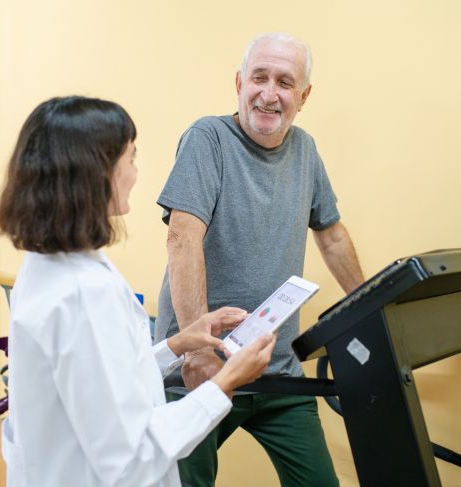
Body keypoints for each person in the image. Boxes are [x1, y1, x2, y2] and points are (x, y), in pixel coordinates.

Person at [0, 96, 276, 487]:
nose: (136, 172)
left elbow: (102, 381)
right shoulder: (84, 292)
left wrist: (175, 344)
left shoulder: (46, 266)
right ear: (97, 172)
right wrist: (226, 380)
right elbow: (130, 458)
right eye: (131, 158)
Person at [154, 32, 364, 486]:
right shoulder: (207, 137)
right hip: (201, 369)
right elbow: (182, 238)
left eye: (285, 83)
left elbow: (330, 235)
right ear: (238, 82)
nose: (269, 94)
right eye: (259, 78)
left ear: (303, 96)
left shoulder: (305, 149)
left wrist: (370, 305)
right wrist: (196, 351)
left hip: (277, 369)